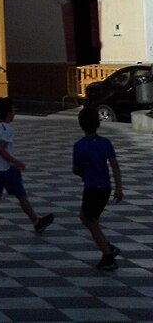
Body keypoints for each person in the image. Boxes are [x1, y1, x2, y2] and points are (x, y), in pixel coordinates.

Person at [0, 96, 54, 237]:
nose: (14, 113)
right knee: (21, 196)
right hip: (7, 170)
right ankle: (36, 222)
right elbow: (2, 149)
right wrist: (16, 162)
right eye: (13, 110)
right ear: (8, 113)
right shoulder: (8, 129)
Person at [73, 105, 123, 270]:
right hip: (105, 187)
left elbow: (76, 169)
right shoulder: (105, 143)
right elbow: (115, 166)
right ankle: (106, 246)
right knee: (84, 216)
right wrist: (119, 187)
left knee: (91, 221)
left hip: (92, 188)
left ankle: (108, 255)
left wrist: (85, 174)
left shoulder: (79, 146)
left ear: (81, 125)